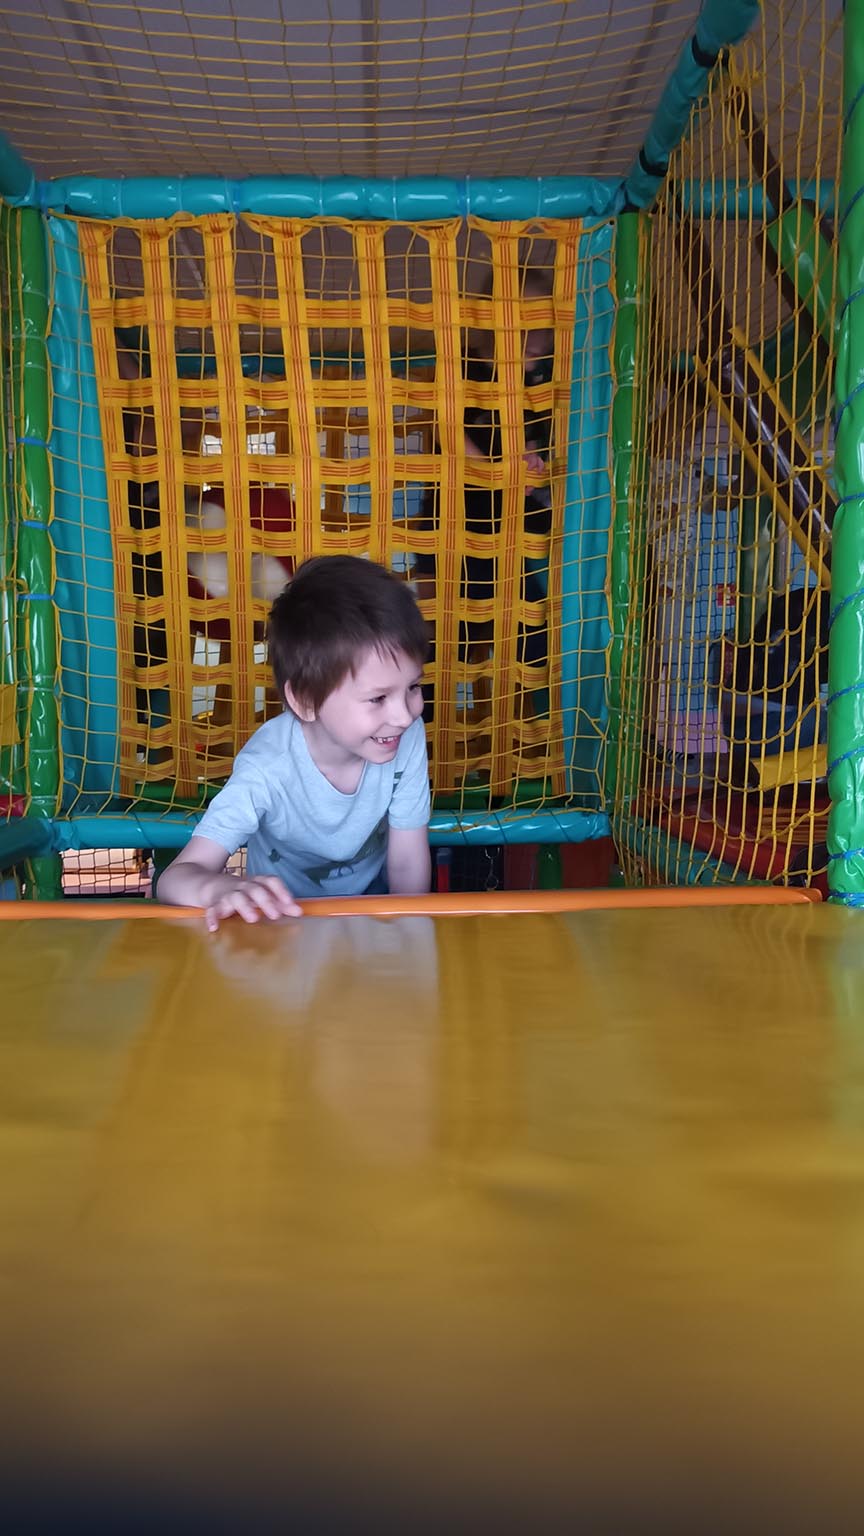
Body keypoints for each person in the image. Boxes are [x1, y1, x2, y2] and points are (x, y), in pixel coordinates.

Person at [157, 555, 432, 928]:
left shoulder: (405, 738)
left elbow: (406, 864)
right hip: (281, 929)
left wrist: (408, 940)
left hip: (371, 926)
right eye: (378, 698)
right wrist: (218, 888)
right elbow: (176, 878)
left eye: (413, 687)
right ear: (305, 700)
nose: (404, 715)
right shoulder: (268, 765)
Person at [413, 266, 555, 697]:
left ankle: (541, 714)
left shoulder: (536, 383)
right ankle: (421, 722)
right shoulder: (467, 366)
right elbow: (451, 435)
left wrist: (531, 464)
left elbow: (532, 443)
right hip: (453, 522)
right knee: (443, 638)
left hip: (505, 525)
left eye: (544, 325)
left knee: (532, 632)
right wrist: (501, 472)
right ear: (498, 322)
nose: (537, 337)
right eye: (526, 324)